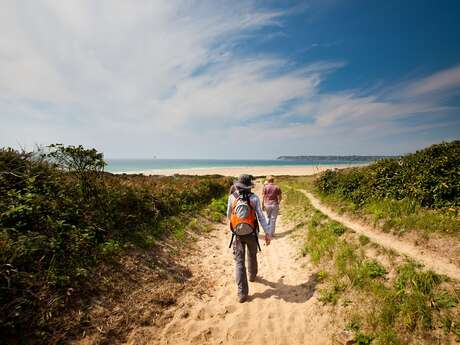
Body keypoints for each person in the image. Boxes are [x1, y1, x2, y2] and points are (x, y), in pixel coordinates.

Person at [227, 174, 271, 303]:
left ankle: (242, 294)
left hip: (238, 235)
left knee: (239, 262)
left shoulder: (231, 197)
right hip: (252, 233)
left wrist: (236, 227)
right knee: (252, 254)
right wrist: (267, 233)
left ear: (239, 186)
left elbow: (229, 215)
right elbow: (261, 217)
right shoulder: (254, 198)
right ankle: (252, 276)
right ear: (249, 186)